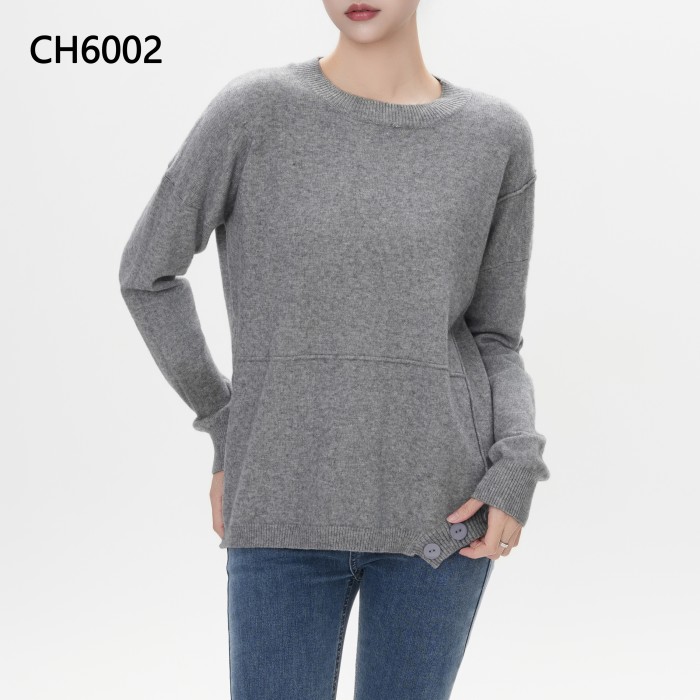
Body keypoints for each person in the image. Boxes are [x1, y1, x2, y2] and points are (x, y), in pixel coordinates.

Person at [118, 1, 550, 698]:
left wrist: (518, 460)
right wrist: (225, 420)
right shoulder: (253, 112)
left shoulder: (493, 136)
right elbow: (146, 274)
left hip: (442, 518)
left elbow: (495, 337)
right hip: (281, 505)